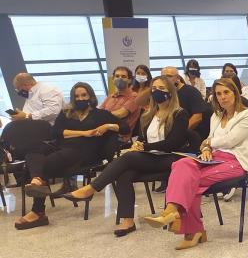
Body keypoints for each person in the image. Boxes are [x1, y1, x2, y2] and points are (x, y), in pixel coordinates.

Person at [63, 76, 194, 237]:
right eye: (154, 88)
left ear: (170, 92)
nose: (156, 92)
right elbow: (141, 137)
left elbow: (174, 142)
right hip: (150, 158)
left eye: (161, 88)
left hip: (172, 158)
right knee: (124, 174)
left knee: (128, 158)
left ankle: (91, 188)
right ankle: (128, 221)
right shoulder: (149, 114)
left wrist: (144, 147)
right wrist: (138, 144)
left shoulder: (179, 113)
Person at [142, 78, 248, 249]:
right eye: (218, 94)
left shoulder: (247, 114)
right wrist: (206, 149)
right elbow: (208, 141)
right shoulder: (216, 116)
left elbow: (231, 140)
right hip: (214, 157)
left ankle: (187, 225)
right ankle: (173, 212)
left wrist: (208, 143)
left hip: (238, 161)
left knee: (190, 181)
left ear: (235, 93)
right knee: (182, 164)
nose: (222, 97)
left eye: (226, 92)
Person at [14, 83, 120, 230]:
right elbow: (55, 133)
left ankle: (38, 210)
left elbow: (124, 127)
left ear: (90, 96)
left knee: (44, 164)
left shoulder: (101, 114)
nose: (80, 98)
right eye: (77, 96)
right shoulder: (67, 113)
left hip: (85, 153)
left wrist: (108, 126)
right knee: (33, 151)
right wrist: (84, 133)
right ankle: (36, 180)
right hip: (62, 147)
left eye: (84, 95)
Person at [161, 66, 210, 137]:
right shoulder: (167, 93)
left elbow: (197, 117)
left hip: (191, 135)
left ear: (177, 78)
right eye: (163, 77)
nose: (165, 80)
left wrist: (179, 134)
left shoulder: (191, 91)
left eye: (169, 76)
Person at [100, 66, 143, 143]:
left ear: (129, 80)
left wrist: (102, 116)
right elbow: (99, 112)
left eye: (123, 76)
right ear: (113, 79)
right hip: (105, 133)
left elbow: (121, 114)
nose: (120, 78)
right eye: (117, 76)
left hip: (120, 137)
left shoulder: (134, 96)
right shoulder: (110, 96)